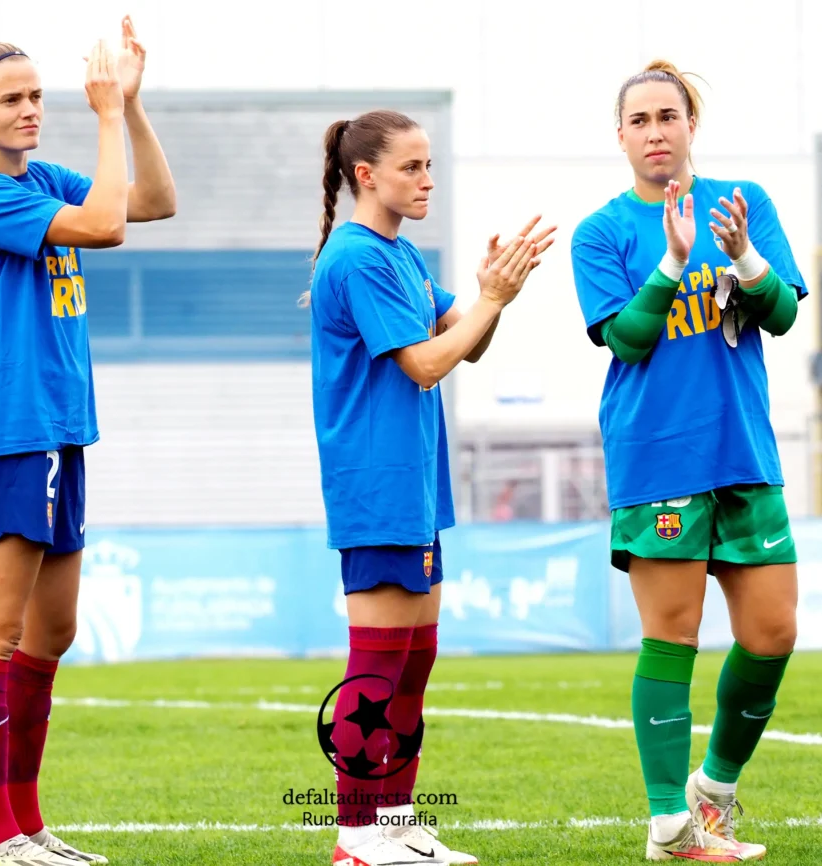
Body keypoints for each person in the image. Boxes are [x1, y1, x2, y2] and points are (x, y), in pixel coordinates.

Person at [0, 17, 175, 866]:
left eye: (38, 95)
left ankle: (29, 828)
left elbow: (150, 203)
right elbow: (107, 226)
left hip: (61, 430)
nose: (33, 108)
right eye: (13, 98)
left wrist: (133, 110)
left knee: (53, 635)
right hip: (8, 430)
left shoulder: (40, 178)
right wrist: (105, 118)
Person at [308, 109, 555, 866]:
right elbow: (423, 363)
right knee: (378, 663)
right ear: (365, 176)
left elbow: (465, 347)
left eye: (428, 165)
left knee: (414, 659)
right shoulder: (355, 258)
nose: (427, 180)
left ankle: (396, 821)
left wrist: (491, 296)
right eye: (412, 167)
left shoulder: (401, 256)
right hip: (375, 484)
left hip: (414, 486)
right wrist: (488, 302)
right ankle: (356, 832)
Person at [571, 60, 803, 862]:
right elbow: (628, 339)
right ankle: (669, 824)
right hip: (657, 456)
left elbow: (776, 315)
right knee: (671, 635)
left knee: (772, 633)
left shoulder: (743, 205)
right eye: (638, 120)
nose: (654, 132)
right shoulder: (601, 232)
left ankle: (714, 791)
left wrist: (741, 255)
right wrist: (670, 263)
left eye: (667, 116)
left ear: (690, 125)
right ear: (621, 136)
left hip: (743, 450)